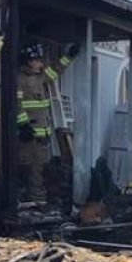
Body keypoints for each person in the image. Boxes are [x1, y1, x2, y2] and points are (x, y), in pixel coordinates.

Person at [17, 41, 80, 204]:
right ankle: (35, 207)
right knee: (33, 173)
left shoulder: (40, 77)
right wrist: (23, 125)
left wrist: (69, 56)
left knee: (41, 173)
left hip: (42, 138)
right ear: (29, 61)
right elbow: (16, 104)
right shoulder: (20, 80)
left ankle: (39, 203)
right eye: (38, 60)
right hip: (29, 138)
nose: (41, 63)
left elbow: (56, 70)